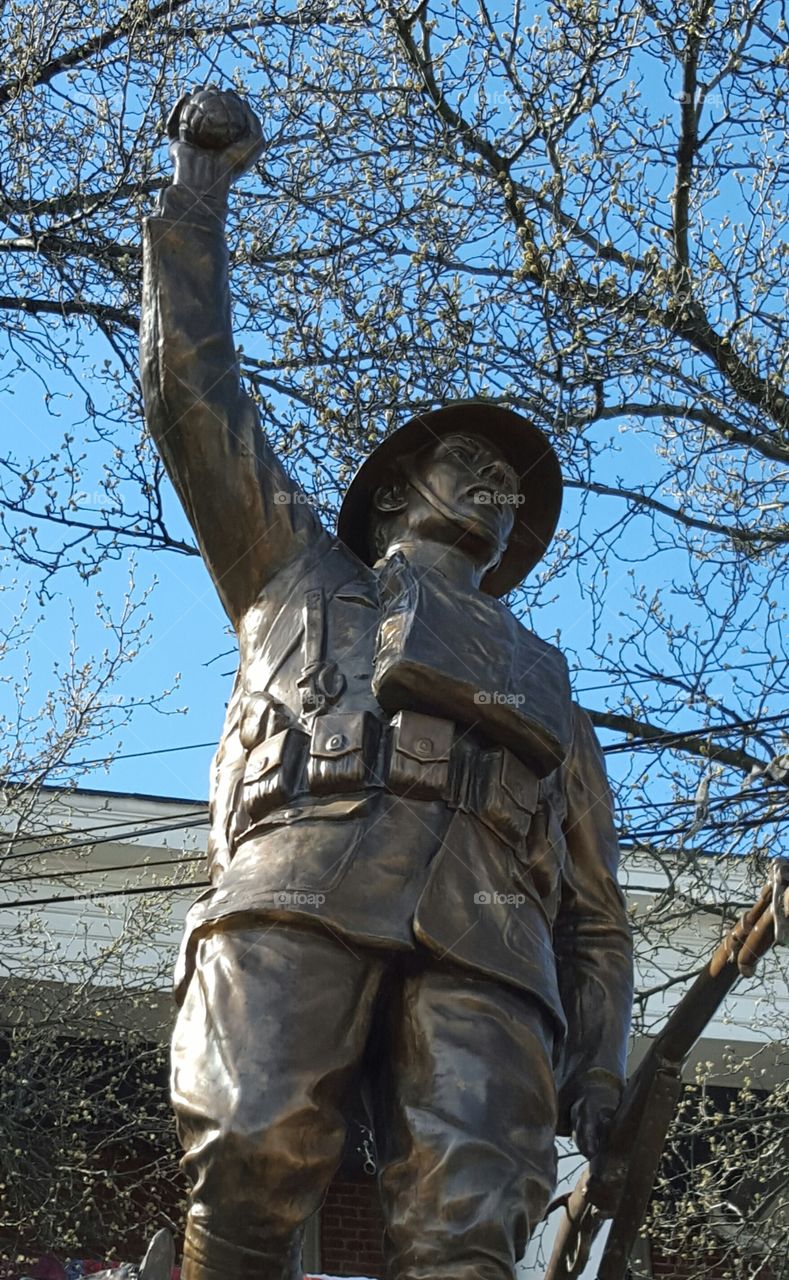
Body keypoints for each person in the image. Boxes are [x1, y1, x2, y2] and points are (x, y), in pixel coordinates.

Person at [140, 85, 633, 1280]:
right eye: (472, 462)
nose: (498, 487)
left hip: (490, 956)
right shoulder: (290, 570)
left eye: (512, 486)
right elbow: (192, 395)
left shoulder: (550, 684)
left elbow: (597, 908)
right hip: (296, 894)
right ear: (401, 482)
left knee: (470, 1233)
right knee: (248, 1158)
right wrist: (197, 196)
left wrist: (604, 1063)